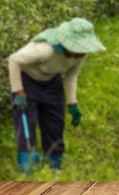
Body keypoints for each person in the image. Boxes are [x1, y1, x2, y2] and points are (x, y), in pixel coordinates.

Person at [8, 17, 105, 174]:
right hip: (27, 81)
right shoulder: (44, 49)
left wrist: (72, 104)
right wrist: (18, 91)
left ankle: (53, 165)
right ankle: (28, 166)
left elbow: (71, 76)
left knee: (55, 123)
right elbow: (14, 60)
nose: (83, 52)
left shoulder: (79, 54)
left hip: (51, 81)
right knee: (28, 122)